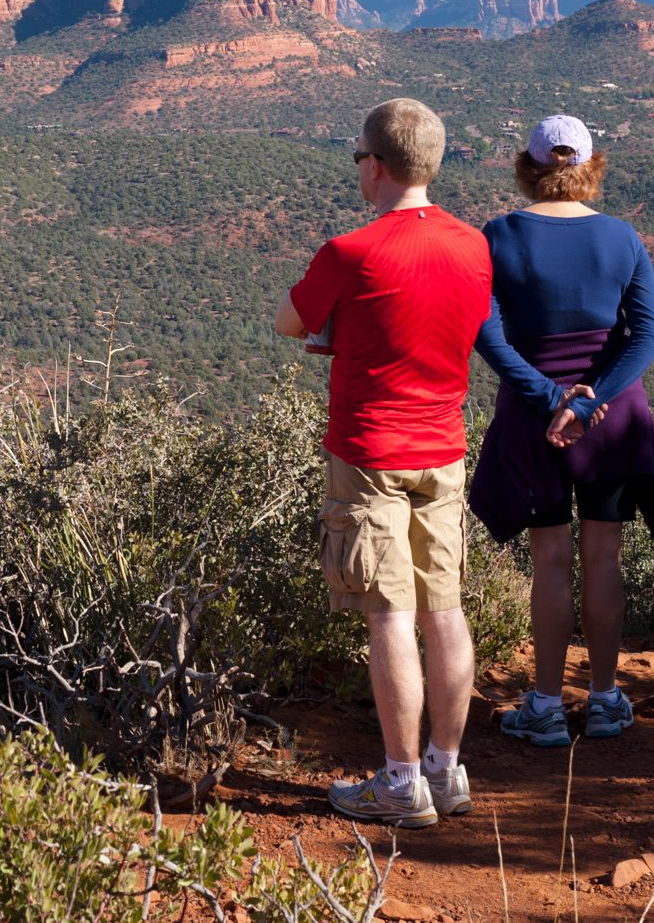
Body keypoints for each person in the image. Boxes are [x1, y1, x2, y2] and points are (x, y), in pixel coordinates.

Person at [275, 98, 492, 827]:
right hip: (445, 449)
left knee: (390, 614)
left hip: (370, 452)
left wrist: (339, 325)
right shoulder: (474, 246)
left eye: (357, 159)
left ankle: (401, 783)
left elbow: (290, 321)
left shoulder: (351, 251)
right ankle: (446, 768)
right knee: (445, 608)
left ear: (375, 164)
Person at [471, 115, 654, 748]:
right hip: (613, 421)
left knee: (550, 559)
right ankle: (607, 700)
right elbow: (648, 337)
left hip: (535, 423)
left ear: (527, 167)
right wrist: (590, 403)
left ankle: (547, 707)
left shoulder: (497, 236)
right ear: (590, 166)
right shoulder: (622, 238)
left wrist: (553, 399)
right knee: (603, 555)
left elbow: (488, 334)